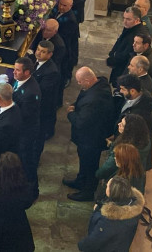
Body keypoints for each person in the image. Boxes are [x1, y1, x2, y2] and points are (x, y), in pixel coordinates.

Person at [64, 67, 116, 202]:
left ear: (87, 80)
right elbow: (83, 97)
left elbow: (81, 122)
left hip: (91, 139)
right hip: (89, 137)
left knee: (90, 164)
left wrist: (70, 113)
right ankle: (80, 180)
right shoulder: (100, 83)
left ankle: (88, 191)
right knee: (84, 161)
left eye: (80, 81)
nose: (79, 84)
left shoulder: (93, 100)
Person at [1, 58, 41, 193]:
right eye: (14, 69)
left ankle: (33, 189)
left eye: (17, 70)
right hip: (22, 130)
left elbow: (21, 116)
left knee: (27, 161)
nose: (14, 72)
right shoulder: (22, 81)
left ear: (27, 72)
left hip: (26, 132)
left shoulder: (31, 92)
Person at [77, 176, 145, 252]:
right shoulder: (133, 206)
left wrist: (82, 245)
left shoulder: (108, 221)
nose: (106, 186)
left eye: (108, 186)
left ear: (113, 193)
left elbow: (94, 241)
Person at [106, 7, 148, 87]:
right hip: (118, 64)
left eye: (128, 19)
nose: (125, 22)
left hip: (123, 68)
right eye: (124, 18)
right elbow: (120, 40)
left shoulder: (139, 35)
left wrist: (114, 60)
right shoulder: (129, 27)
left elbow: (129, 54)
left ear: (137, 20)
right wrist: (112, 53)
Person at [33, 40, 62, 151]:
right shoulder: (35, 60)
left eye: (43, 52)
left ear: (50, 55)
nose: (38, 53)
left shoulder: (51, 71)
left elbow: (42, 90)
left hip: (43, 105)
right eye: (38, 50)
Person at [117, 74, 152, 141]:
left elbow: (132, 135)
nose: (120, 91)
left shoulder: (140, 114)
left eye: (123, 89)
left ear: (132, 91)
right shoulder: (130, 97)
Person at [51, 0, 80, 80]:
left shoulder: (70, 20)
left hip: (66, 46)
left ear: (70, 6)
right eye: (60, 4)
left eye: (64, 5)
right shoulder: (58, 11)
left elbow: (65, 37)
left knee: (64, 65)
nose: (61, 7)